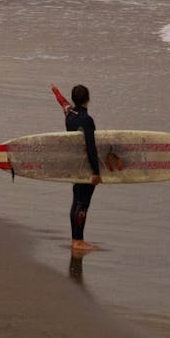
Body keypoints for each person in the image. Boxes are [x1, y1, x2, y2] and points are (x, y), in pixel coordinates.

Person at [66, 84, 101, 254]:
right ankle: (78, 241)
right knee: (83, 203)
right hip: (86, 167)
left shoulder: (69, 117)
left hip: (75, 166)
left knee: (76, 201)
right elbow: (91, 147)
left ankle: (76, 239)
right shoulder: (87, 120)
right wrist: (96, 172)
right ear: (88, 98)